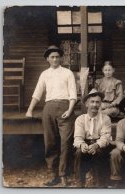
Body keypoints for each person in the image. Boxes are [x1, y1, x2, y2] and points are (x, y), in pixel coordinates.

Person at [25, 45, 77, 186]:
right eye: (52, 57)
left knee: (65, 142)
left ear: (61, 58)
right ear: (47, 59)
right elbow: (37, 93)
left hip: (65, 108)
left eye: (57, 57)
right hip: (49, 108)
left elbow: (73, 94)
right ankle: (53, 174)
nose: (55, 59)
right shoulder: (44, 74)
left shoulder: (68, 73)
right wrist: (30, 109)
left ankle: (63, 175)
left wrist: (70, 110)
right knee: (50, 142)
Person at [73, 89, 114, 187]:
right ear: (86, 104)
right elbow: (78, 137)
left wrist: (97, 145)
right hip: (85, 143)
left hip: (99, 144)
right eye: (92, 102)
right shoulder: (80, 119)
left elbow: (105, 137)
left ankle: (100, 183)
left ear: (100, 104)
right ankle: (79, 183)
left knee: (100, 152)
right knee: (78, 152)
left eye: (97, 102)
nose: (95, 105)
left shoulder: (105, 118)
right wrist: (82, 144)